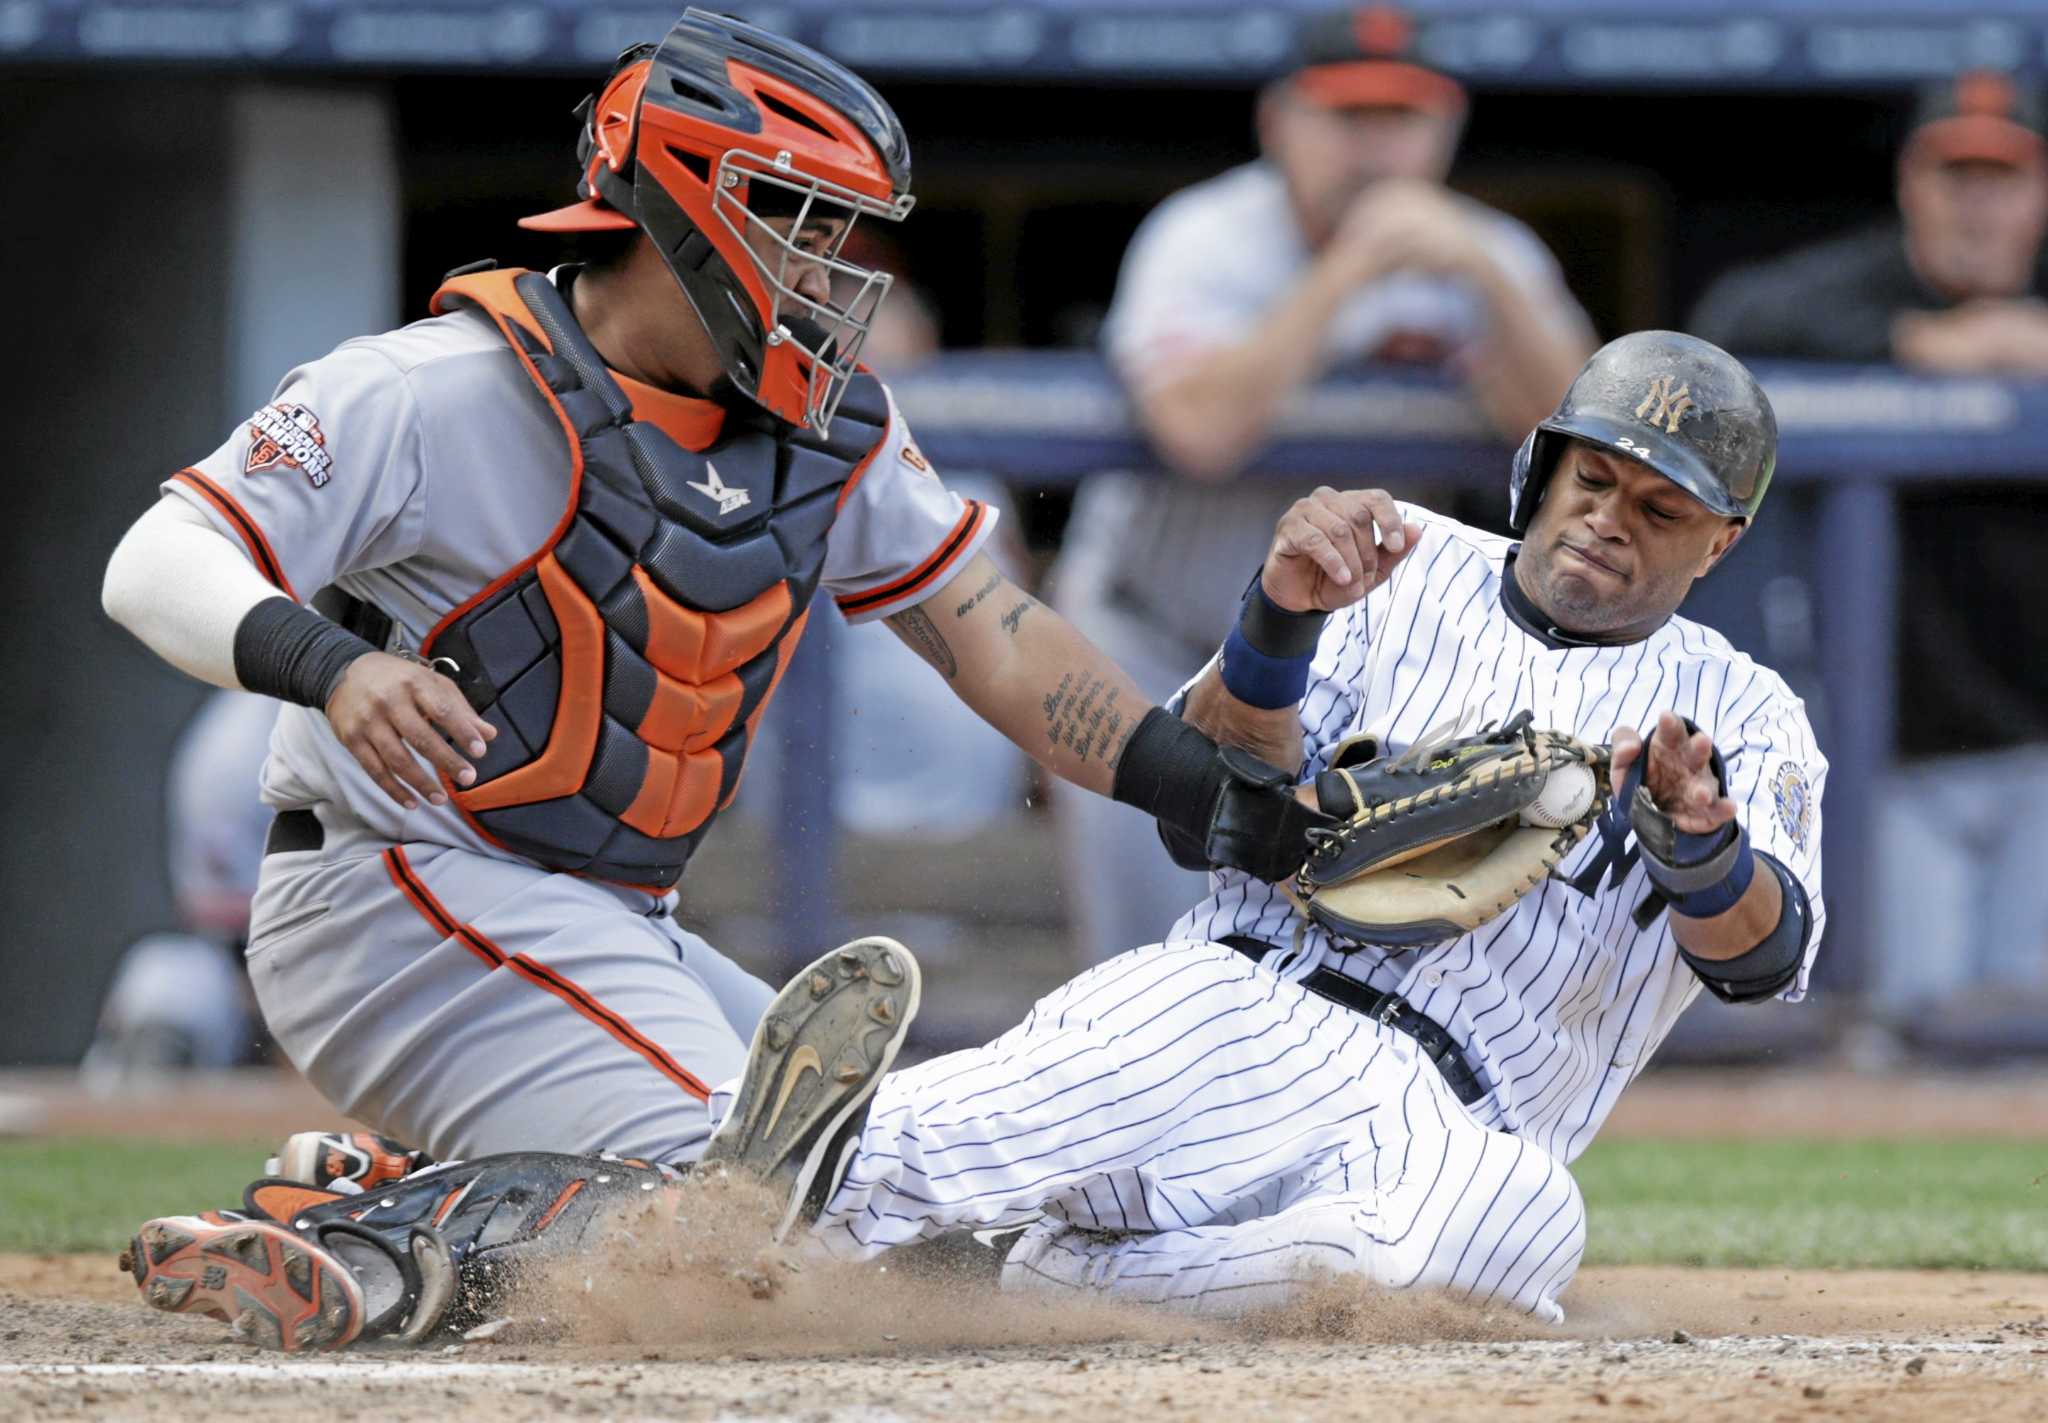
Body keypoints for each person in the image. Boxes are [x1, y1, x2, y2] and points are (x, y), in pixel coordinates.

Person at [124, 332, 1824, 1348]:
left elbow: (1760, 958)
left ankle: (1029, 1275)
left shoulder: (1742, 712)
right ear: (1542, 469)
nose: (1609, 513)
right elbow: (1215, 801)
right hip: (1247, 1008)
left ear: (1719, 534)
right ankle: (406, 1247)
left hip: (1482, 1117)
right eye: (1590, 475)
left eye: (1657, 499)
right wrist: (1278, 622)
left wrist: (1692, 841)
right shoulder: (1398, 559)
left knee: (1480, 1255)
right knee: (849, 1176)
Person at [102, 6, 1325, 1298]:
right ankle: (377, 1251)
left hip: (617, 921)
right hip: (401, 893)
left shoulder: (832, 425)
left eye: (839, 228)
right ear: (679, 198)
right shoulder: (425, 387)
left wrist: (1208, 788)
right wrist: (333, 663)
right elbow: (154, 562)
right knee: (744, 1220)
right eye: (795, 217)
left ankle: (379, 1183)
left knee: (924, 1215)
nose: (832, 265)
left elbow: (996, 637)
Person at [1050, 4, 1595, 963]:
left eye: (1403, 118)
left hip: (1338, 680)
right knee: (1136, 968)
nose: (1377, 147)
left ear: (1446, 127)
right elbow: (1199, 429)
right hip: (1152, 639)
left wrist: (1486, 283)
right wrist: (1350, 272)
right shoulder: (1207, 236)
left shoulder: (1478, 253)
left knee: (1321, 976)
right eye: (1347, 117)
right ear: (1280, 123)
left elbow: (1582, 447)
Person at [1690, 70, 2048, 1034]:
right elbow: (1725, 328)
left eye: (2003, 177)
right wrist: (1923, 345)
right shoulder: (1859, 289)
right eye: (1954, 174)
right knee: (1897, 1026)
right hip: (1892, 753)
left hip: (2042, 752)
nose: (1976, 203)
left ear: (2040, 192)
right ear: (1911, 186)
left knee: (2026, 1036)